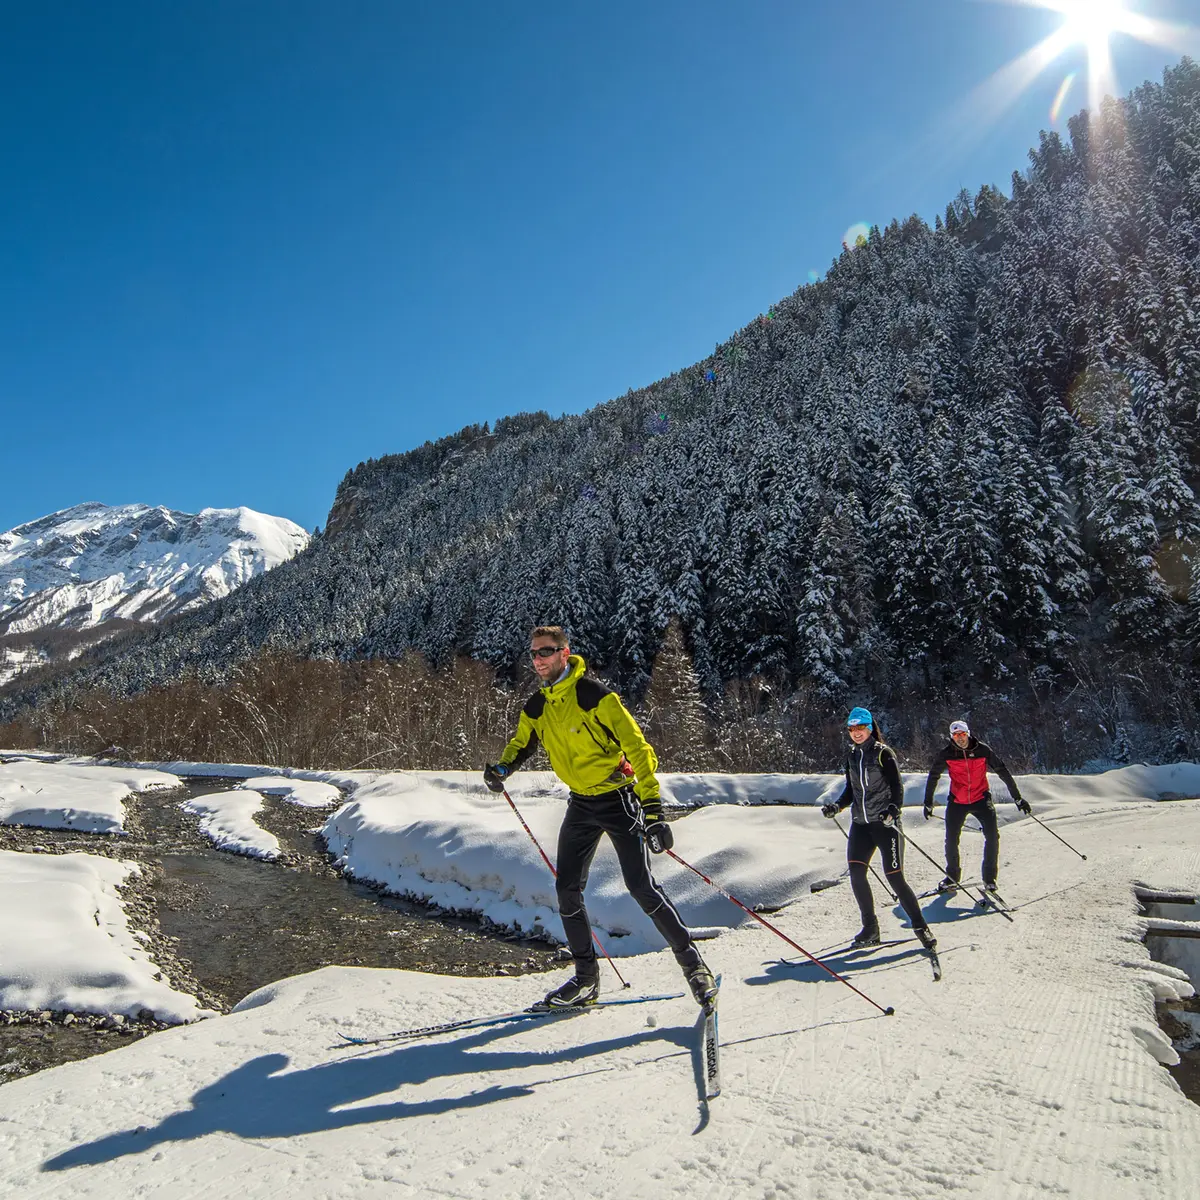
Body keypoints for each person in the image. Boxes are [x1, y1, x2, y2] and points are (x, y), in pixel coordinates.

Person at [483, 625, 717, 1009]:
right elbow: (522, 743)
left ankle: (695, 967)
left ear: (564, 652)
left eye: (545, 652)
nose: (538, 660)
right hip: (580, 804)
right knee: (567, 890)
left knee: (640, 887)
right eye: (533, 654)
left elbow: (639, 750)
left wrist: (654, 812)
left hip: (618, 799)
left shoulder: (594, 696)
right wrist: (502, 770)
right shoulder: (537, 706)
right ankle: (586, 980)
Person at [821, 707, 936, 952]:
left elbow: (897, 786)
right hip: (861, 825)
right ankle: (870, 929)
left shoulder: (883, 753)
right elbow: (851, 791)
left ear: (870, 728)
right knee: (856, 873)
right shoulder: (852, 757)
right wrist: (837, 806)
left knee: (894, 877)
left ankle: (920, 926)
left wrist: (893, 810)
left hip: (886, 825)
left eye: (860, 728)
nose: (856, 733)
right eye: (851, 729)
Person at [922, 719, 1031, 898]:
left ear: (968, 733)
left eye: (962, 734)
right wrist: (928, 802)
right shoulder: (947, 754)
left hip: (981, 799)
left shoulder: (982, 750)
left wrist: (1017, 798)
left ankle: (989, 879)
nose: (960, 738)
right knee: (951, 840)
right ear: (952, 737)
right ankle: (952, 877)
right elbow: (933, 776)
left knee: (992, 837)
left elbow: (1002, 770)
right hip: (957, 801)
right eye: (956, 735)